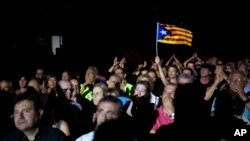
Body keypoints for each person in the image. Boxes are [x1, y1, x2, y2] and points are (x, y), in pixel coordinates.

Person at [3, 90, 67, 141]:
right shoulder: (9, 139)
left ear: (39, 113)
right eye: (16, 112)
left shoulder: (55, 137)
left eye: (26, 111)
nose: (20, 116)